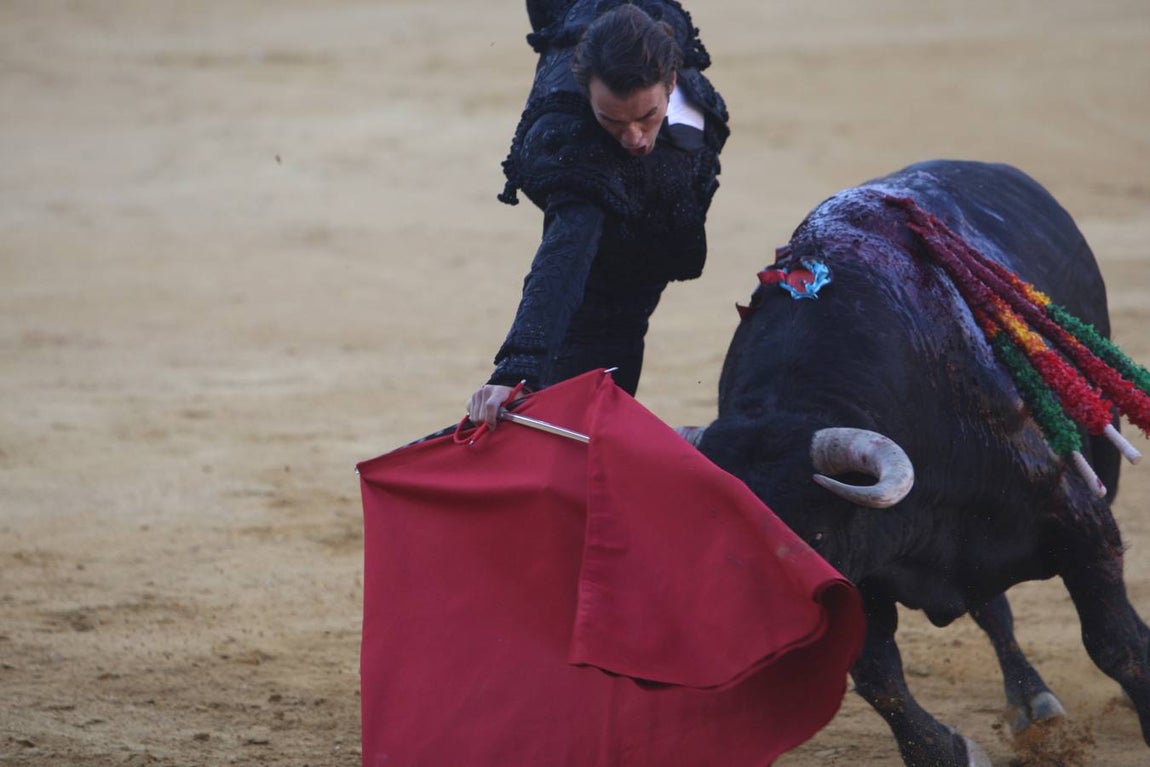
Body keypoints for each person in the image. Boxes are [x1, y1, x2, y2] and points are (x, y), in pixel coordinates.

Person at [467, 0, 729, 428]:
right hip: (610, 285)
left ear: (672, 81)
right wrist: (516, 371)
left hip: (646, 250)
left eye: (647, 116)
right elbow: (563, 254)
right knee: (580, 412)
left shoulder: (670, 48)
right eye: (611, 119)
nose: (633, 137)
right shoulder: (579, 145)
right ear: (585, 90)